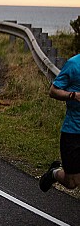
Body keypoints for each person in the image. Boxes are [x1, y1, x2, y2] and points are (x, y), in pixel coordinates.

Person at [39, 53, 80, 197]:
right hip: (74, 132)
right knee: (72, 182)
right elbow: (53, 91)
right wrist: (73, 95)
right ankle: (54, 173)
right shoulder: (74, 64)